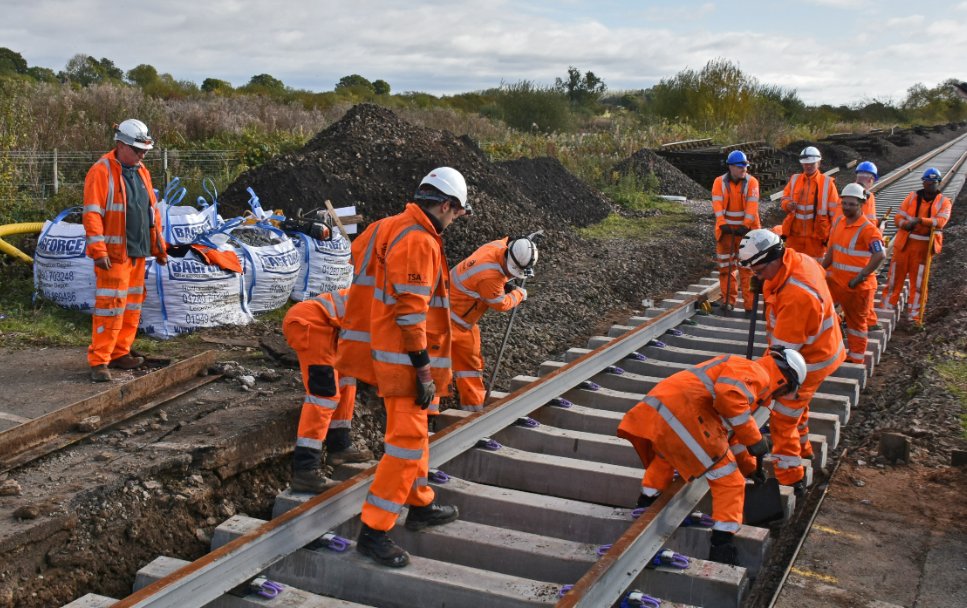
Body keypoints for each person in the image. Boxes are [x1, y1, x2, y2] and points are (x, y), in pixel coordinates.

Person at [356, 167, 470, 568]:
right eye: (456, 214)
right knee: (405, 447)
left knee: (418, 434)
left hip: (388, 348)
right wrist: (424, 369)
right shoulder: (420, 239)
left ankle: (420, 503)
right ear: (444, 204)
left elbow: (359, 262)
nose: (455, 221)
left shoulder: (388, 225)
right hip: (404, 359)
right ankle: (374, 532)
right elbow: (410, 311)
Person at [617, 349, 806, 564]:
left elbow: (731, 437)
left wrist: (751, 468)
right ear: (786, 378)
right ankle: (722, 545)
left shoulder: (748, 374)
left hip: (665, 405)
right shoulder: (759, 373)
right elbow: (730, 397)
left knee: (665, 457)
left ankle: (646, 502)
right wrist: (755, 439)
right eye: (786, 391)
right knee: (730, 480)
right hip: (687, 410)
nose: (780, 396)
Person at [737, 229, 845, 496]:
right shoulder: (796, 258)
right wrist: (762, 281)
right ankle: (805, 447)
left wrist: (754, 386)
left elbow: (781, 359)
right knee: (798, 405)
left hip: (810, 358)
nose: (757, 277)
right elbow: (772, 233)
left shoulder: (798, 297)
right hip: (816, 346)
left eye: (759, 271)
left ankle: (790, 478)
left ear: (774, 258)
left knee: (784, 416)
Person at [83, 119, 168, 383]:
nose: (142, 155)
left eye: (145, 151)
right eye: (137, 150)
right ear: (121, 146)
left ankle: (121, 352)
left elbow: (151, 212)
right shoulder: (101, 171)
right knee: (110, 306)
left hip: (138, 252)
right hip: (114, 255)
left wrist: (159, 247)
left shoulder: (141, 171)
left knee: (131, 307)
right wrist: (99, 249)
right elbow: (92, 214)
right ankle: (100, 361)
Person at [283, 288, 374, 494]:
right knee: (323, 395)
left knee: (347, 379)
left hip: (330, 327)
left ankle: (340, 446)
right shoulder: (386, 302)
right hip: (310, 322)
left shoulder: (389, 296)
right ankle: (305, 470)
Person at [449, 237, 535, 411]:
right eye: (511, 271)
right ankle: (424, 419)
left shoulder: (498, 246)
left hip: (462, 322)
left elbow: (510, 239)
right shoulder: (489, 276)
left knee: (470, 368)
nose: (511, 275)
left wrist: (528, 241)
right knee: (435, 371)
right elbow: (501, 304)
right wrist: (518, 294)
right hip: (444, 322)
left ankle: (473, 411)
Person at [822, 184, 886, 365]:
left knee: (856, 324)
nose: (847, 207)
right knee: (824, 310)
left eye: (852, 204)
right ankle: (832, 346)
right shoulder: (840, 222)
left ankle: (856, 358)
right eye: (845, 204)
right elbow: (833, 249)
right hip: (837, 280)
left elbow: (880, 254)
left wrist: (861, 276)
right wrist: (821, 268)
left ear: (861, 205)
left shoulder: (869, 230)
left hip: (857, 286)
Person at [885, 168, 952, 324]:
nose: (930, 185)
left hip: (924, 248)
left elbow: (940, 221)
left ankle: (914, 318)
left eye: (933, 182)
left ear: (938, 183)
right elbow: (898, 217)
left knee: (919, 284)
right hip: (904, 245)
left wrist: (920, 221)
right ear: (923, 182)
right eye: (927, 181)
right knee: (894, 281)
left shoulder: (944, 201)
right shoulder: (912, 197)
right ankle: (886, 311)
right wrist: (906, 224)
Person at [712, 150, 761, 317]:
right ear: (731, 167)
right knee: (726, 267)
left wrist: (745, 226)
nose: (744, 169)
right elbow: (717, 205)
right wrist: (722, 224)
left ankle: (749, 305)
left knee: (747, 269)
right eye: (740, 167)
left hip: (746, 233)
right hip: (725, 233)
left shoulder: (751, 182)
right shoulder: (719, 182)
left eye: (745, 166)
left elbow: (752, 208)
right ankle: (728, 301)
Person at [780, 147, 840, 262]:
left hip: (816, 238)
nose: (808, 166)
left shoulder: (827, 183)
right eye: (806, 164)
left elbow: (835, 214)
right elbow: (785, 198)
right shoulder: (795, 180)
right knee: (793, 267)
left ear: (819, 163)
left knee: (815, 269)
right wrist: (787, 205)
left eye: (812, 164)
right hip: (794, 235)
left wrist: (832, 237)